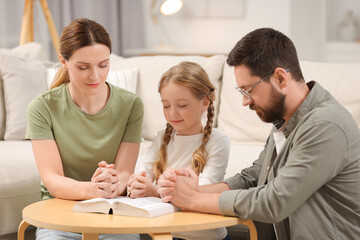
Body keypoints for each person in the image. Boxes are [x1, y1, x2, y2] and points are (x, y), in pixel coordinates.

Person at [157, 28, 360, 240]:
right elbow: (254, 177)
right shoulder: (286, 120)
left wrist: (192, 200)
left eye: (248, 90)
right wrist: (196, 189)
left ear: (280, 78)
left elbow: (274, 202)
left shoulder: (325, 126)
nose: (245, 101)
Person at [26, 18, 143, 240]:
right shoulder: (42, 107)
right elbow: (52, 180)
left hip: (113, 212)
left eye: (103, 65)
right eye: (83, 67)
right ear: (63, 61)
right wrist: (94, 189)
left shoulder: (131, 104)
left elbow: (125, 173)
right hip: (59, 214)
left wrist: (112, 184)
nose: (95, 76)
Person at [127, 61, 231, 240]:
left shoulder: (218, 141)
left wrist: (154, 191)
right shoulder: (161, 139)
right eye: (166, 106)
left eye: (182, 105)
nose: (172, 114)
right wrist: (136, 184)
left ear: (204, 103)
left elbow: (201, 192)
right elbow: (142, 175)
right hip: (165, 235)